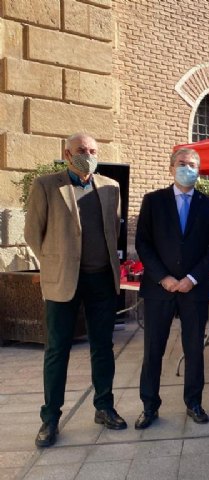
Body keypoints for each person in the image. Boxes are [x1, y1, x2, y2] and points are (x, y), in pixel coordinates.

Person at [25, 133, 126, 447]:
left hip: (101, 280)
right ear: (66, 154)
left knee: (102, 347)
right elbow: (32, 233)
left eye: (93, 150)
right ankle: (50, 419)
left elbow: (115, 228)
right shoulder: (45, 186)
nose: (88, 154)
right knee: (57, 351)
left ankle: (104, 407)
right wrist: (55, 263)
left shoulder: (111, 187)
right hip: (63, 281)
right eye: (82, 150)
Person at [134, 148, 209, 429]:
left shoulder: (208, 206)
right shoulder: (153, 201)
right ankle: (149, 406)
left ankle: (194, 403)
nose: (188, 168)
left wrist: (192, 278)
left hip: (193, 290)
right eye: (183, 164)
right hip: (159, 288)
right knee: (153, 350)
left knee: (195, 349)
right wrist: (164, 277)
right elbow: (143, 244)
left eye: (194, 165)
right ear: (171, 168)